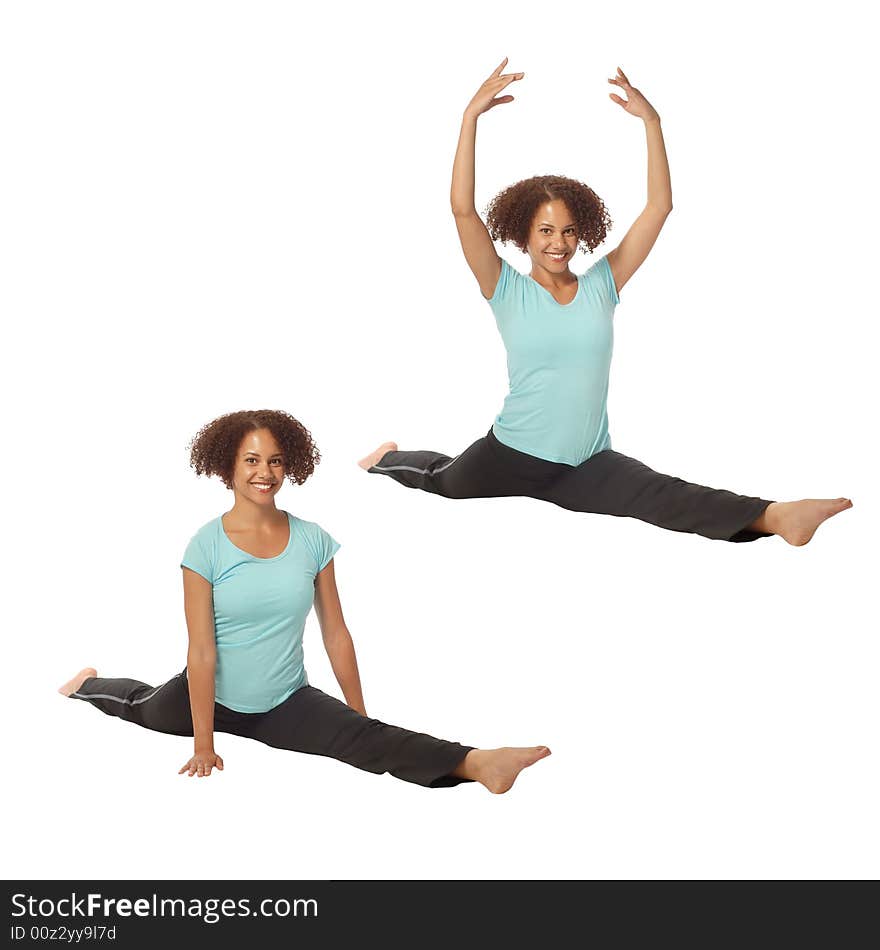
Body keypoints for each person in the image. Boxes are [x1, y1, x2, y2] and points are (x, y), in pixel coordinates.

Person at [360, 61, 851, 545]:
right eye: (546, 231)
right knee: (443, 480)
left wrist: (652, 124)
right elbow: (463, 210)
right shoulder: (505, 288)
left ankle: (777, 515)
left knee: (659, 493)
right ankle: (383, 459)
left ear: (583, 234)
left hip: (586, 462)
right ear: (524, 236)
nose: (559, 243)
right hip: (511, 454)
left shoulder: (602, 285)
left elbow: (659, 208)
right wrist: (469, 119)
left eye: (569, 231)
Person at [60, 410, 550, 793]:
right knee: (141, 709)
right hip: (208, 698)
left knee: (369, 743)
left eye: (274, 460)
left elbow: (335, 633)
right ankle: (88, 685)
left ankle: (477, 762)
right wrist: (204, 744)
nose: (265, 472)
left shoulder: (312, 541)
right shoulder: (204, 546)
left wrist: (360, 718)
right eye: (251, 460)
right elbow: (201, 651)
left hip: (285, 702)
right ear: (227, 466)